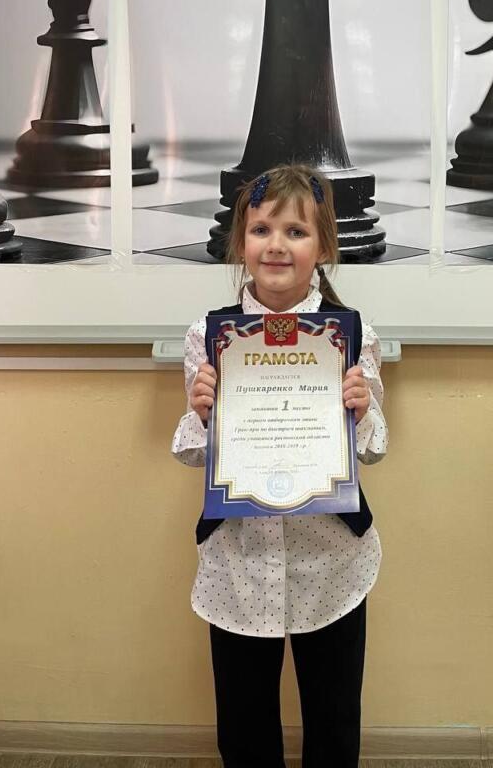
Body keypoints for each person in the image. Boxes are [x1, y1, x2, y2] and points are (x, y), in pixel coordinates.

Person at [172, 163, 388, 768]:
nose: (276, 245)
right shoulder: (208, 336)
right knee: (244, 728)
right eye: (261, 229)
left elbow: (373, 449)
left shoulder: (353, 336)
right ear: (241, 242)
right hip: (238, 565)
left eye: (296, 231)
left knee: (334, 719)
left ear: (323, 247)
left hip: (332, 562)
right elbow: (192, 452)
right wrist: (203, 413)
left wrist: (362, 411)